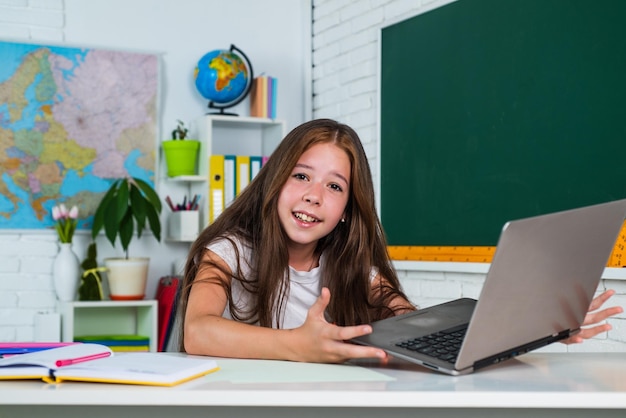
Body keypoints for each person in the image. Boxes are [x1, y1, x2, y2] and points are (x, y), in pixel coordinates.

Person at [180, 119, 622, 363]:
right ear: (275, 181)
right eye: (301, 176)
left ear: (348, 208)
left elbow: (414, 323)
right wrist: (297, 345)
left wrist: (535, 329)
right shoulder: (231, 251)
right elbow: (197, 332)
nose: (314, 195)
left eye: (335, 187)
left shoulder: (350, 265)